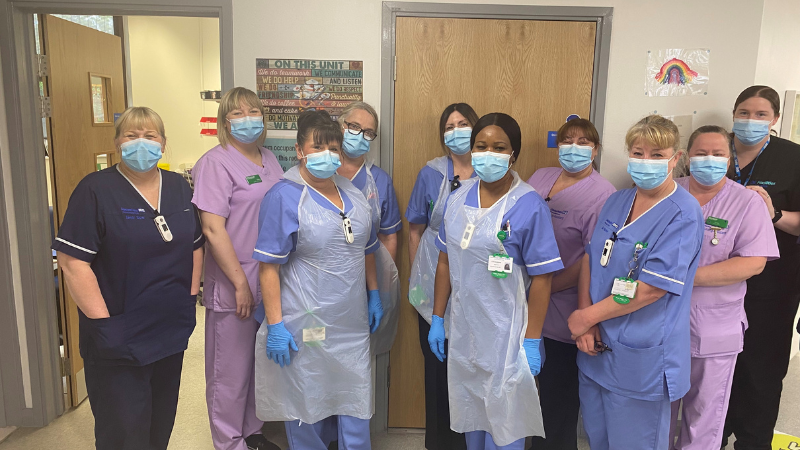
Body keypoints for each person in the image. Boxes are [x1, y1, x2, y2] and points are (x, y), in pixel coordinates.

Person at [52, 107, 204, 450]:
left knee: (159, 425)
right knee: (123, 433)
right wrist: (104, 324)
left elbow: (195, 245)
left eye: (150, 136)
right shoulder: (95, 190)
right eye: (131, 136)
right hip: (118, 333)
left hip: (169, 329)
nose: (141, 143)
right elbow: (73, 262)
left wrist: (189, 298)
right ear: (117, 143)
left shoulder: (178, 187)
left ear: (163, 143)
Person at [428, 113, 563, 450]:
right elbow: (444, 261)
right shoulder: (457, 199)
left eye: (499, 147)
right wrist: (437, 317)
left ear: (513, 154)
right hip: (466, 331)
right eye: (481, 146)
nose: (489, 153)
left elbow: (543, 278)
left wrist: (532, 340)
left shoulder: (529, 204)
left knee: (506, 426)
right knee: (473, 416)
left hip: (508, 335)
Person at [568, 115, 704, 449]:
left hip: (641, 357)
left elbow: (651, 289)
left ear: (676, 158)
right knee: (598, 439)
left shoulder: (683, 213)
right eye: (638, 153)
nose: (646, 162)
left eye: (657, 154)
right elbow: (591, 258)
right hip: (597, 347)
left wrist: (587, 317)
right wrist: (587, 321)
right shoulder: (617, 200)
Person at [252, 110, 382, 450]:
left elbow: (367, 247)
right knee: (306, 403)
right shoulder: (284, 197)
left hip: (350, 323)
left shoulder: (352, 194)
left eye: (334, 148)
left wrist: (374, 293)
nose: (328, 155)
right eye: (318, 147)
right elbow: (268, 267)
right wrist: (276, 325)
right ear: (299, 150)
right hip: (305, 322)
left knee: (354, 399)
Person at [666, 126, 778, 449]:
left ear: (729, 160)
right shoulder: (667, 192)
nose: (709, 159)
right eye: (701, 153)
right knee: (657, 411)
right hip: (661, 320)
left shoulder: (747, 202)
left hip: (714, 327)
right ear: (687, 157)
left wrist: (685, 278)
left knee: (703, 417)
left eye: (718, 154)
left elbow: (753, 262)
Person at [192, 87, 283, 450]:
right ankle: (229, 442)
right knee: (229, 371)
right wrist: (240, 284)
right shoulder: (215, 163)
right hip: (235, 283)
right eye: (238, 113)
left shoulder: (269, 158)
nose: (248, 119)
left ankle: (252, 433)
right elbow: (212, 229)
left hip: (269, 278)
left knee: (258, 364)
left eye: (254, 111)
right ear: (225, 121)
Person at [526, 118, 615, 450]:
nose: (573, 148)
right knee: (526, 397)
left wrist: (543, 288)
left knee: (557, 402)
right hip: (525, 304)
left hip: (564, 309)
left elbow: (591, 259)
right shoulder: (540, 177)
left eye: (583, 142)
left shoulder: (603, 194)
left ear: (595, 149)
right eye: (567, 140)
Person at [722, 85, 800, 450]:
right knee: (718, 366)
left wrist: (775, 213)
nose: (750, 120)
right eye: (744, 113)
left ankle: (753, 442)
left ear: (775, 119)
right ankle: (712, 436)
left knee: (761, 369)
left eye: (761, 115)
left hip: (773, 285)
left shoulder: (792, 158)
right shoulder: (715, 151)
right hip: (719, 279)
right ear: (733, 114)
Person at [406, 103, 478, 450]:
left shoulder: (493, 170)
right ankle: (439, 443)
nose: (457, 131)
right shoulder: (431, 173)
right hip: (432, 273)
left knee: (471, 365)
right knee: (437, 367)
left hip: (475, 279)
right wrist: (418, 283)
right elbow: (415, 230)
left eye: (463, 124)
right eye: (449, 126)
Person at [335, 101, 401, 354]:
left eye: (368, 132)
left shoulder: (380, 181)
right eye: (354, 127)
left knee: (358, 356)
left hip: (365, 283)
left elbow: (388, 237)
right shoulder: (321, 172)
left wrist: (382, 289)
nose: (360, 135)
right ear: (340, 126)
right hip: (322, 280)